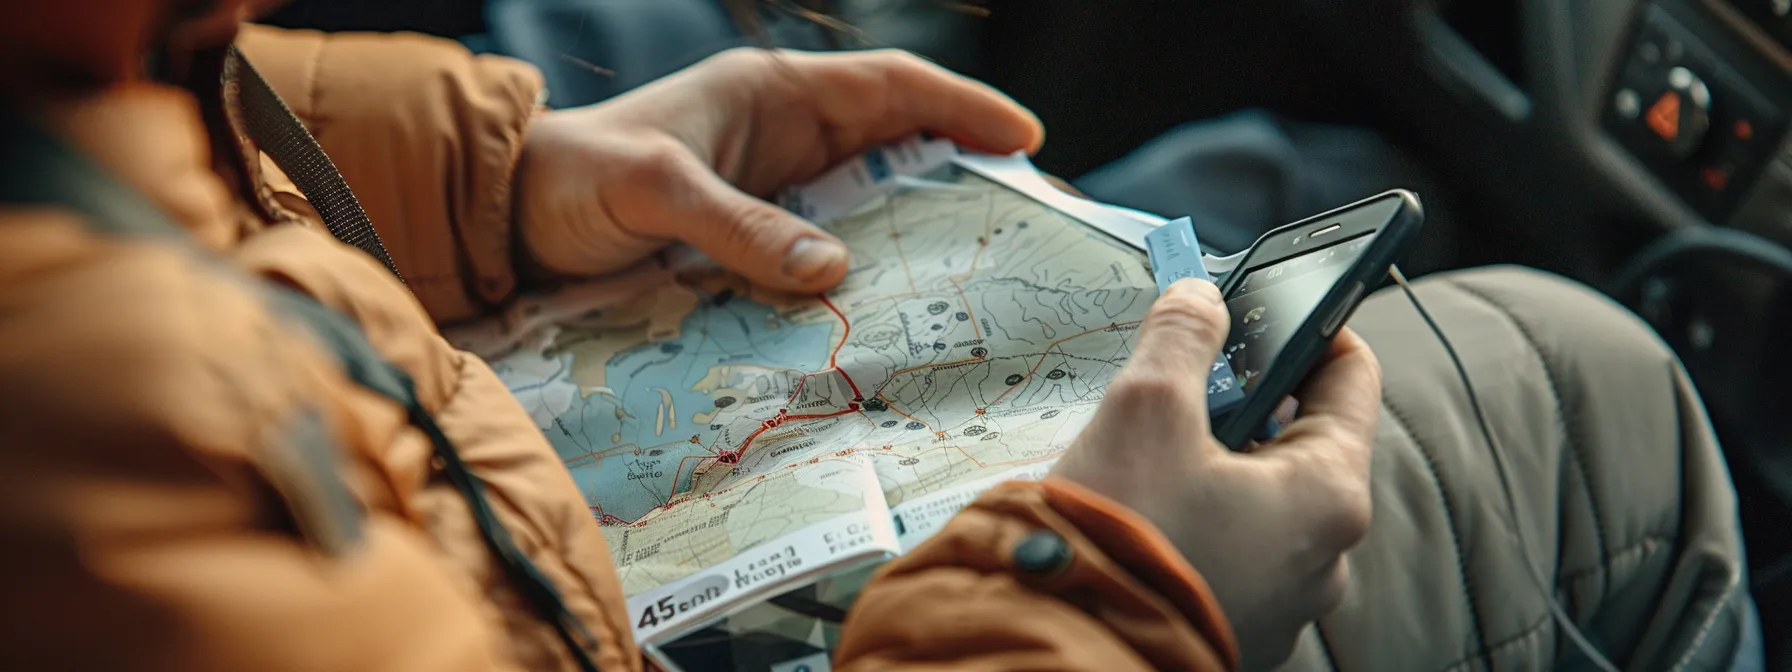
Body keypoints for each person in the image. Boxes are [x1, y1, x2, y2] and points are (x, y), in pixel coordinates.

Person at [0, 2, 1753, 671]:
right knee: (1592, 403)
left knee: (1269, 173)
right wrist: (1114, 594)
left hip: (477, 486)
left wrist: (496, 178)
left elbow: (109, 108)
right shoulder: (80, 452)